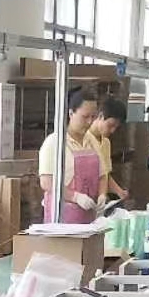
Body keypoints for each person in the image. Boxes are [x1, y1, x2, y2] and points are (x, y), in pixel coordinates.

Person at [38, 86, 100, 222]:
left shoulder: (92, 140)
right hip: (63, 216)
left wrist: (101, 195)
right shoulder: (55, 142)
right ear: (71, 113)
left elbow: (101, 175)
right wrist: (75, 197)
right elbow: (46, 182)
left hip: (88, 214)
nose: (89, 122)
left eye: (93, 117)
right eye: (85, 117)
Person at [85, 96, 130, 207]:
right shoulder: (84, 140)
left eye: (116, 127)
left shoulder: (106, 143)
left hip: (98, 201)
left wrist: (119, 192)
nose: (112, 130)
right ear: (100, 116)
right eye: (110, 125)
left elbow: (105, 174)